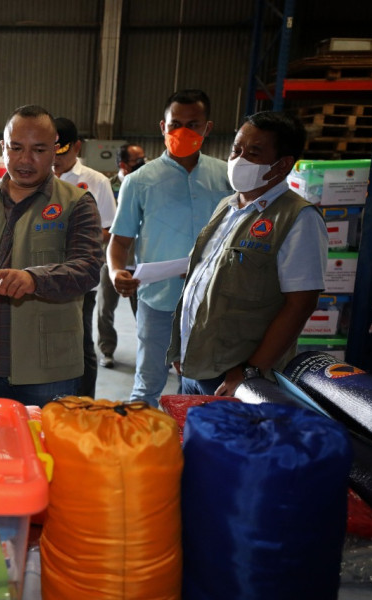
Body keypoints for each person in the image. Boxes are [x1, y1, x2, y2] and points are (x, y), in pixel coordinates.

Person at [168, 111, 326, 396]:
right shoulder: (227, 207)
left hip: (239, 376)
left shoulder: (297, 218)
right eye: (236, 149)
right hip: (197, 365)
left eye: (253, 153)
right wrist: (183, 348)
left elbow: (300, 304)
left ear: (282, 165)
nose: (238, 160)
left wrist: (250, 371)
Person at [0, 105, 104, 407]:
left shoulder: (76, 203)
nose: (25, 160)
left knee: (47, 449)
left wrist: (33, 279)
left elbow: (89, 268)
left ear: (54, 150)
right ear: (3, 147)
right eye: (16, 148)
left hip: (46, 371)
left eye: (38, 149)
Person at [108, 89, 232, 406]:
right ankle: (141, 445)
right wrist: (115, 270)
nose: (184, 132)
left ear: (208, 128)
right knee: (148, 384)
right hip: (159, 300)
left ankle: (195, 445)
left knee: (206, 386)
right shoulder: (139, 181)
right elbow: (120, 241)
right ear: (162, 127)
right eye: (176, 123)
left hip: (213, 301)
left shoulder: (226, 177)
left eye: (194, 124)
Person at [51, 117, 115, 397]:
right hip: (40, 276)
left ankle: (85, 402)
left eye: (62, 152)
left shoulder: (95, 181)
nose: (56, 159)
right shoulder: (37, 178)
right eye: (50, 151)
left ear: (77, 146)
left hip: (79, 281)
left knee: (81, 344)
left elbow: (108, 229)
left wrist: (72, 240)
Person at [100, 143, 145, 368]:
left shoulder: (147, 184)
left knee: (144, 311)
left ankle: (149, 354)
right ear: (123, 165)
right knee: (105, 309)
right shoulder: (108, 187)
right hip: (111, 258)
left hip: (140, 259)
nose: (143, 164)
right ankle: (107, 350)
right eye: (138, 161)